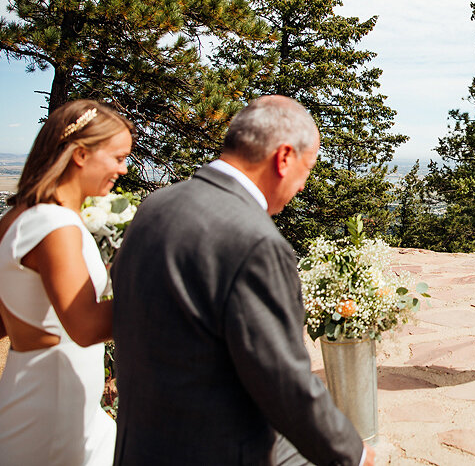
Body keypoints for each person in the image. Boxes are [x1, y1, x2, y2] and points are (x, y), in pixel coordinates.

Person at [111, 96, 372, 466]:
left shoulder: (155, 205)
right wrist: (354, 455)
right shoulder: (256, 241)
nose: (302, 186)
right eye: (307, 168)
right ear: (284, 158)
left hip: (142, 447)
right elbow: (285, 383)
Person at [0, 99, 133, 464]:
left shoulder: (11, 220)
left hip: (39, 401)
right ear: (81, 155)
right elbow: (85, 325)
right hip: (53, 416)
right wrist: (171, 296)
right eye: (118, 157)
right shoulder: (56, 226)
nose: (124, 168)